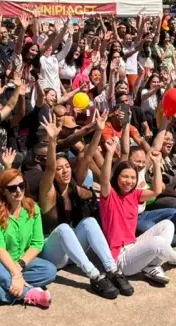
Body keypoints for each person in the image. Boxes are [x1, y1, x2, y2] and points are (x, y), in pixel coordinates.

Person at [38, 111, 134, 299]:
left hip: (72, 252)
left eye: (66, 166)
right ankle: (95, 276)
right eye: (59, 168)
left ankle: (112, 270)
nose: (64, 170)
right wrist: (52, 141)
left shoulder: (74, 183)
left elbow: (87, 156)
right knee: (64, 228)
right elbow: (49, 168)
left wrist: (98, 131)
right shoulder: (47, 193)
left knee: (89, 221)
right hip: (53, 253)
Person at [99, 137, 176, 285]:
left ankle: (152, 265)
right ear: (117, 177)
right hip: (121, 260)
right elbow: (104, 180)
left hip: (134, 245)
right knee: (157, 242)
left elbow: (157, 190)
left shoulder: (135, 194)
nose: (129, 181)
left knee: (167, 225)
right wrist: (109, 153)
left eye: (132, 178)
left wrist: (157, 164)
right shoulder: (109, 196)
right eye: (124, 176)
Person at [0, 168, 57, 308]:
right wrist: (15, 274)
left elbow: (37, 243)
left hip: (21, 261)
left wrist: (19, 267)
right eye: (12, 188)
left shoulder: (33, 208)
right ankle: (28, 293)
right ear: (3, 191)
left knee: (49, 270)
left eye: (21, 185)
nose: (18, 191)